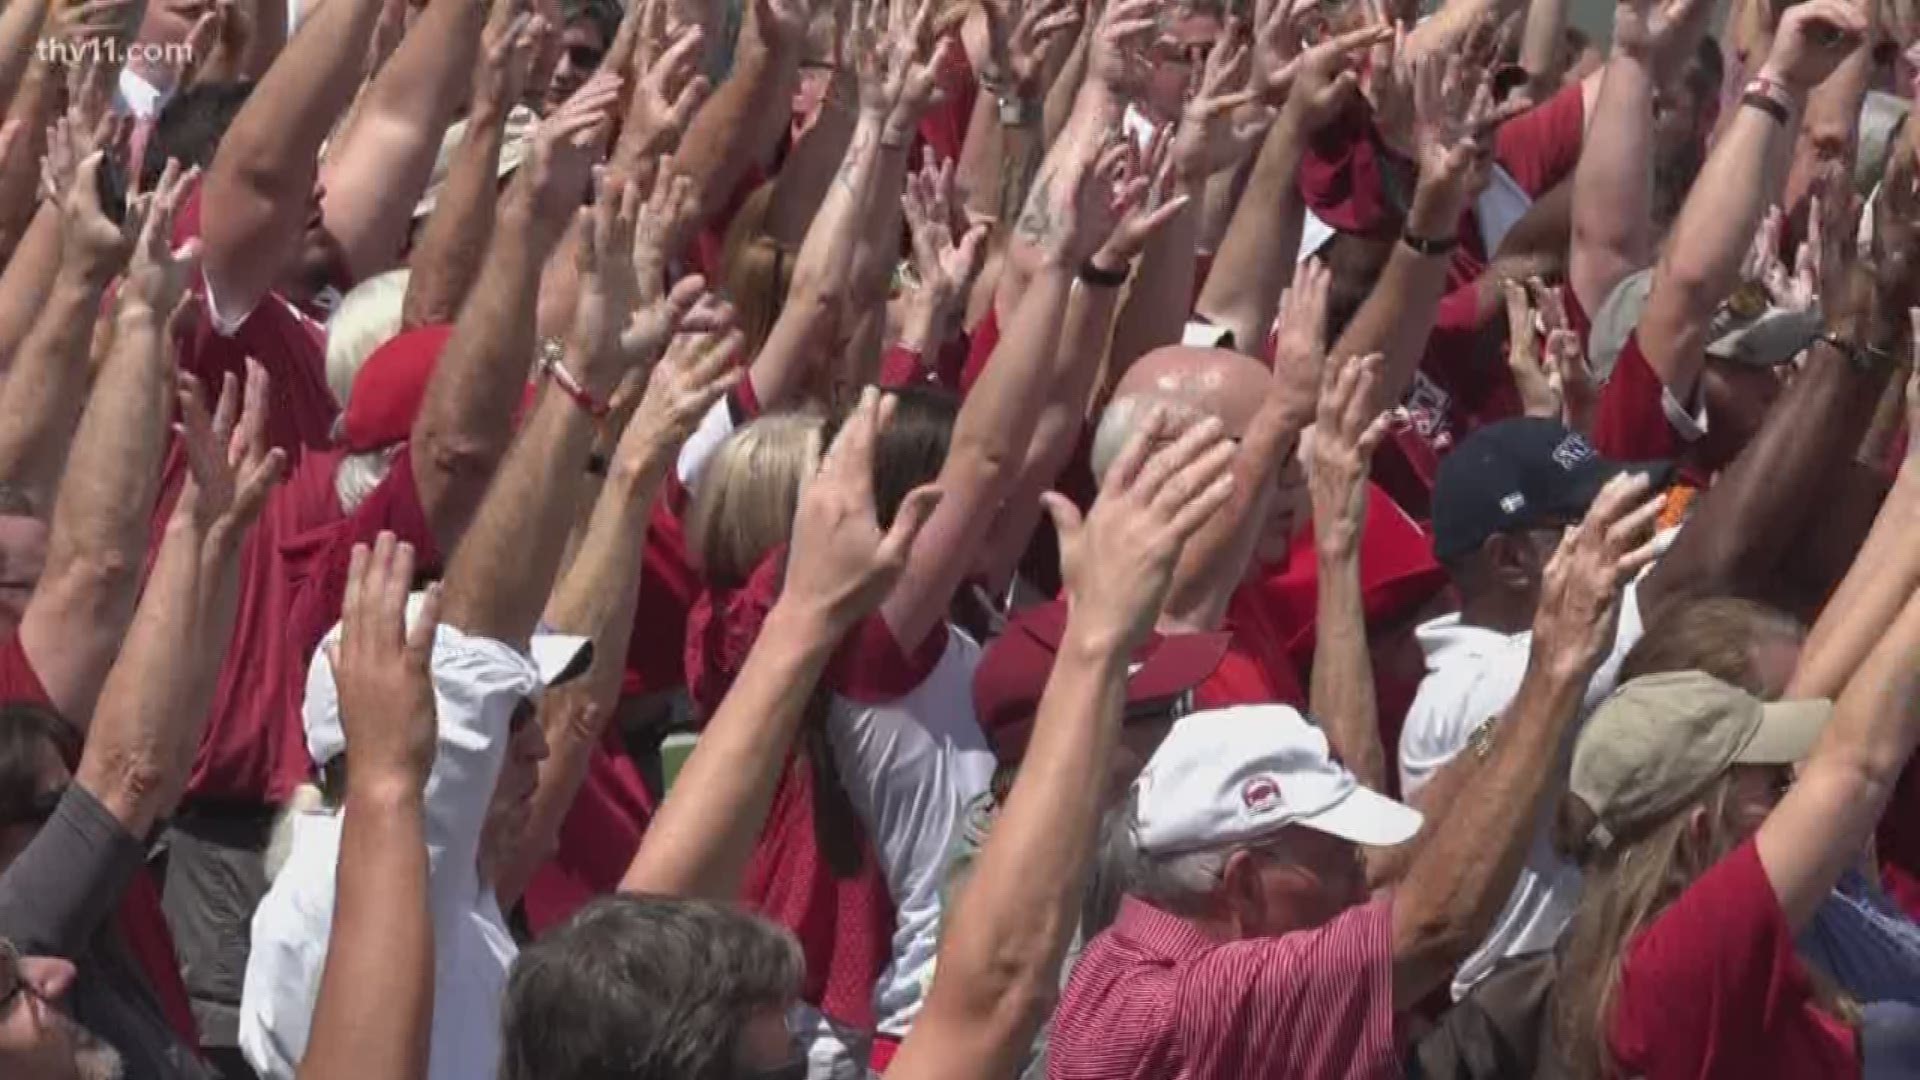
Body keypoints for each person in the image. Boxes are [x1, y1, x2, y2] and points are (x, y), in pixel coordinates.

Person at [1048, 469, 1665, 1079]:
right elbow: (1434, 927)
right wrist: (1558, 671)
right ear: (1242, 886)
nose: (1363, 887)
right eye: (1341, 862)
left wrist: (1519, 707)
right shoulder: (1187, 1010)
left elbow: (1392, 862)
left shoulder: (1145, 951)